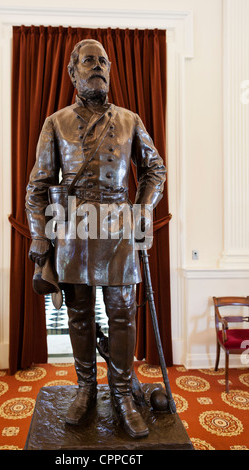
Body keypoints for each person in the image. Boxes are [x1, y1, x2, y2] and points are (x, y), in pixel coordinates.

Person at [25, 39, 166, 439]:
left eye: (104, 61)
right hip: (72, 233)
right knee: (79, 315)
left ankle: (122, 393)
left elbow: (155, 169)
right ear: (73, 72)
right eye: (90, 61)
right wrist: (39, 235)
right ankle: (86, 387)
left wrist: (142, 209)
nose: (99, 66)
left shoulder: (129, 120)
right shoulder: (56, 122)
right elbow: (37, 186)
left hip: (119, 232)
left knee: (123, 315)